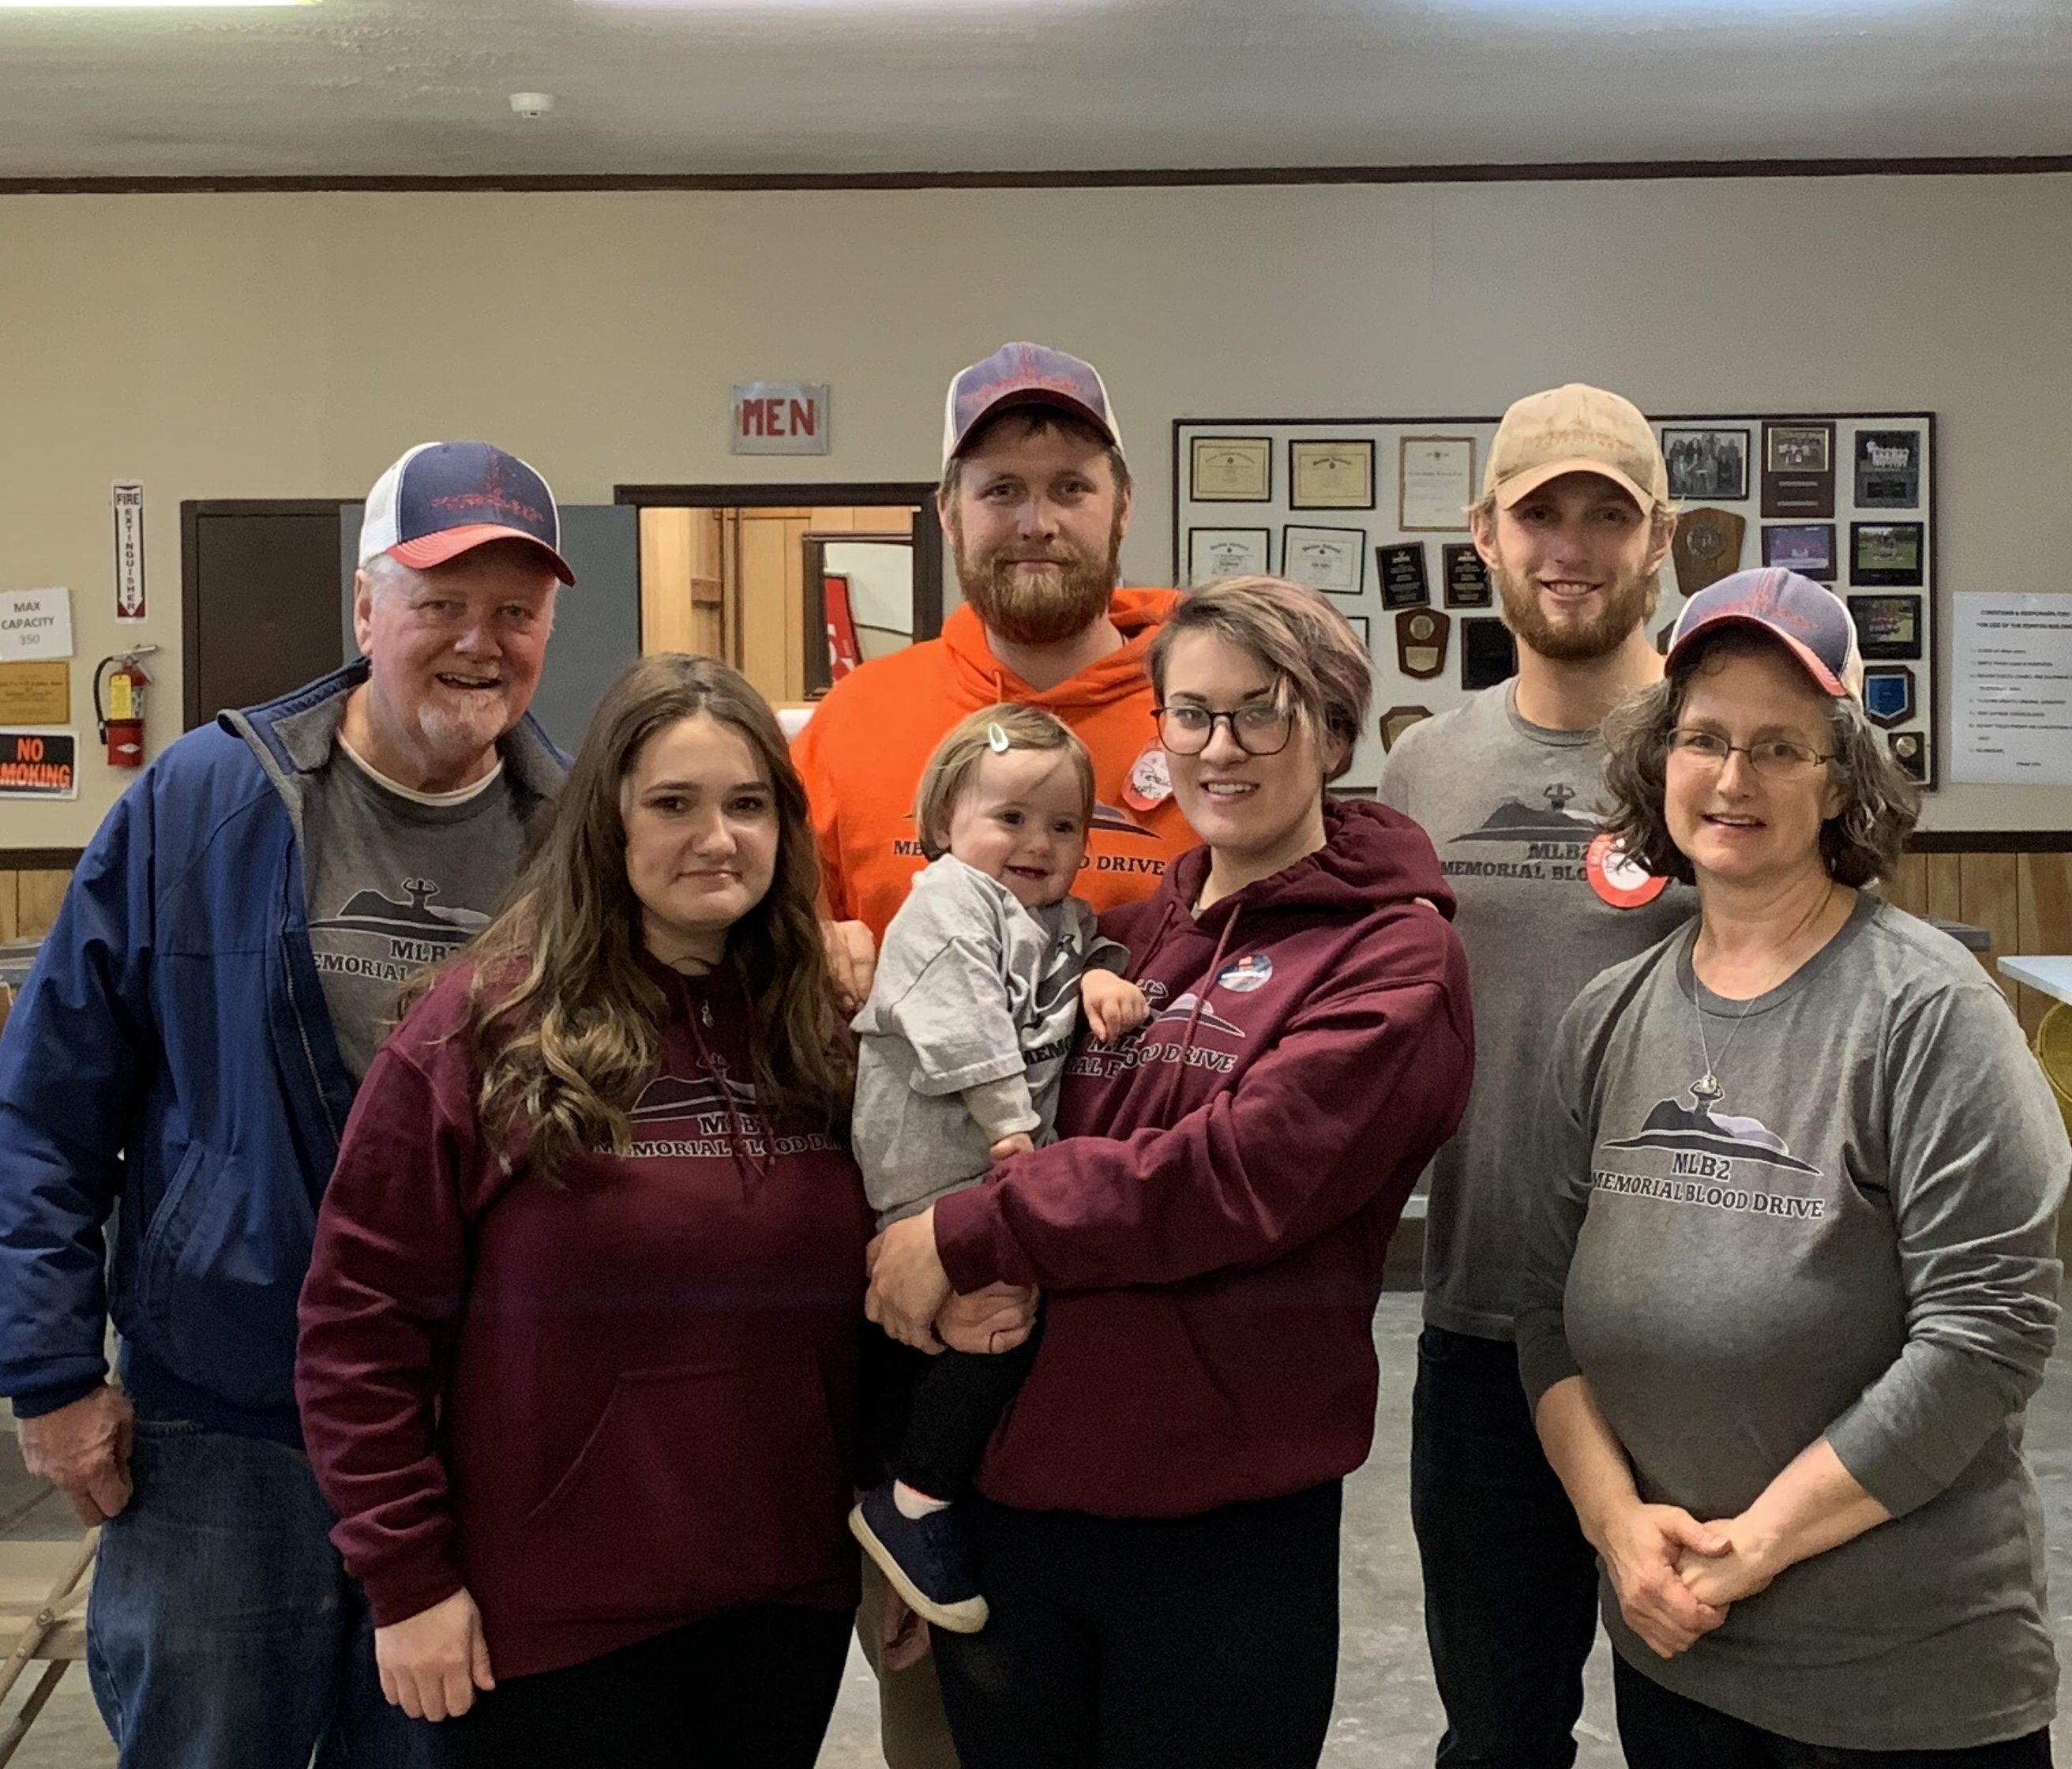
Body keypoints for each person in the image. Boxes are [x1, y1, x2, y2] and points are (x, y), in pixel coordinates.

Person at [0, 440, 573, 1769]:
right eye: (439, 603)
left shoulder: (576, 833)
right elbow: (48, 1100)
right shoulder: (205, 802)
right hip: (222, 1422)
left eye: (515, 612)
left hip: (469, 1422)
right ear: (364, 609)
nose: (478, 642)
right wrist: (46, 1368)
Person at [866, 576, 1476, 1769]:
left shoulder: (1396, 955)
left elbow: (1227, 1179)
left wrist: (966, 1230)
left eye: (1262, 712)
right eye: (1189, 714)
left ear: (1336, 732)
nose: (1219, 747)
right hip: (1018, 1505)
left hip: (1219, 1529)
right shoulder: (1142, 923)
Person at [1516, 569, 2068, 1766]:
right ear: (1659, 765)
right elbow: (1544, 1318)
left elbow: (1990, 1332)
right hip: (1679, 1654)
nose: (1733, 779)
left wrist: (1756, 1544)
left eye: (1781, 747)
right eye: (1704, 738)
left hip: (1904, 1683)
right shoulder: (1608, 1018)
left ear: (1841, 786)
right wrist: (1618, 1532)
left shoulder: (1926, 1012)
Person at [295, 655, 874, 1769]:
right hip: (551, 1620)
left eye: (749, 804)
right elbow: (358, 1328)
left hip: (784, 1598)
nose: (718, 838)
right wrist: (407, 1580)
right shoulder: (485, 1026)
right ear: (605, 823)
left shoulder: (822, 1030)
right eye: (673, 803)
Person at [790, 340, 1194, 1767]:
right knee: (950, 1714)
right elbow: (756, 972)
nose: (1034, 516)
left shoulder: (1196, 712)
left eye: (1065, 485)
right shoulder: (856, 721)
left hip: (1142, 1336)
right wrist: (815, 956)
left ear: (1119, 504)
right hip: (916, 1300)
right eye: (999, 485)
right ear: (947, 511)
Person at [1376, 382, 1692, 1769]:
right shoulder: (1422, 769)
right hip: (1481, 1327)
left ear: (1657, 539)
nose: (1568, 546)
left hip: (1698, 1337)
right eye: (1537, 513)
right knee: (1498, 1738)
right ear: (1482, 538)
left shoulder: (1718, 755)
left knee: (1710, 1730)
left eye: (1604, 516)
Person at [847, 704, 1149, 1633]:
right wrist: (1017, 1134)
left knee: (997, 1319)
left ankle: (919, 1476)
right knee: (992, 1323)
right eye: (1009, 817)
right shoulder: (946, 897)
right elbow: (964, 1020)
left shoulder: (1060, 918)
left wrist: (1100, 970)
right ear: (944, 820)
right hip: (934, 1145)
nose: (1038, 841)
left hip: (989, 1160)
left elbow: (1072, 965)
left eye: (1064, 824)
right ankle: (912, 1496)